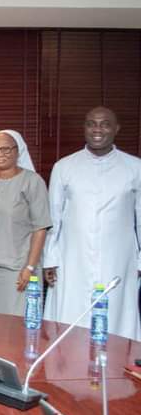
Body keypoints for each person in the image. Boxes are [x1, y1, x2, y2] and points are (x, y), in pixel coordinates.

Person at [43, 106, 141, 340]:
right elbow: (53, 218)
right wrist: (50, 258)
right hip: (71, 259)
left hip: (119, 260)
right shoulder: (64, 166)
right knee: (70, 316)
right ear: (84, 128)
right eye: (91, 123)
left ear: (116, 129)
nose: (97, 129)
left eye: (104, 124)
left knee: (117, 319)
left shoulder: (135, 167)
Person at [0, 130, 51, 316]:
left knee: (18, 329)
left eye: (6, 149)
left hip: (19, 271)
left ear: (17, 151)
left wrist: (30, 267)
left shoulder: (32, 182)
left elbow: (41, 228)